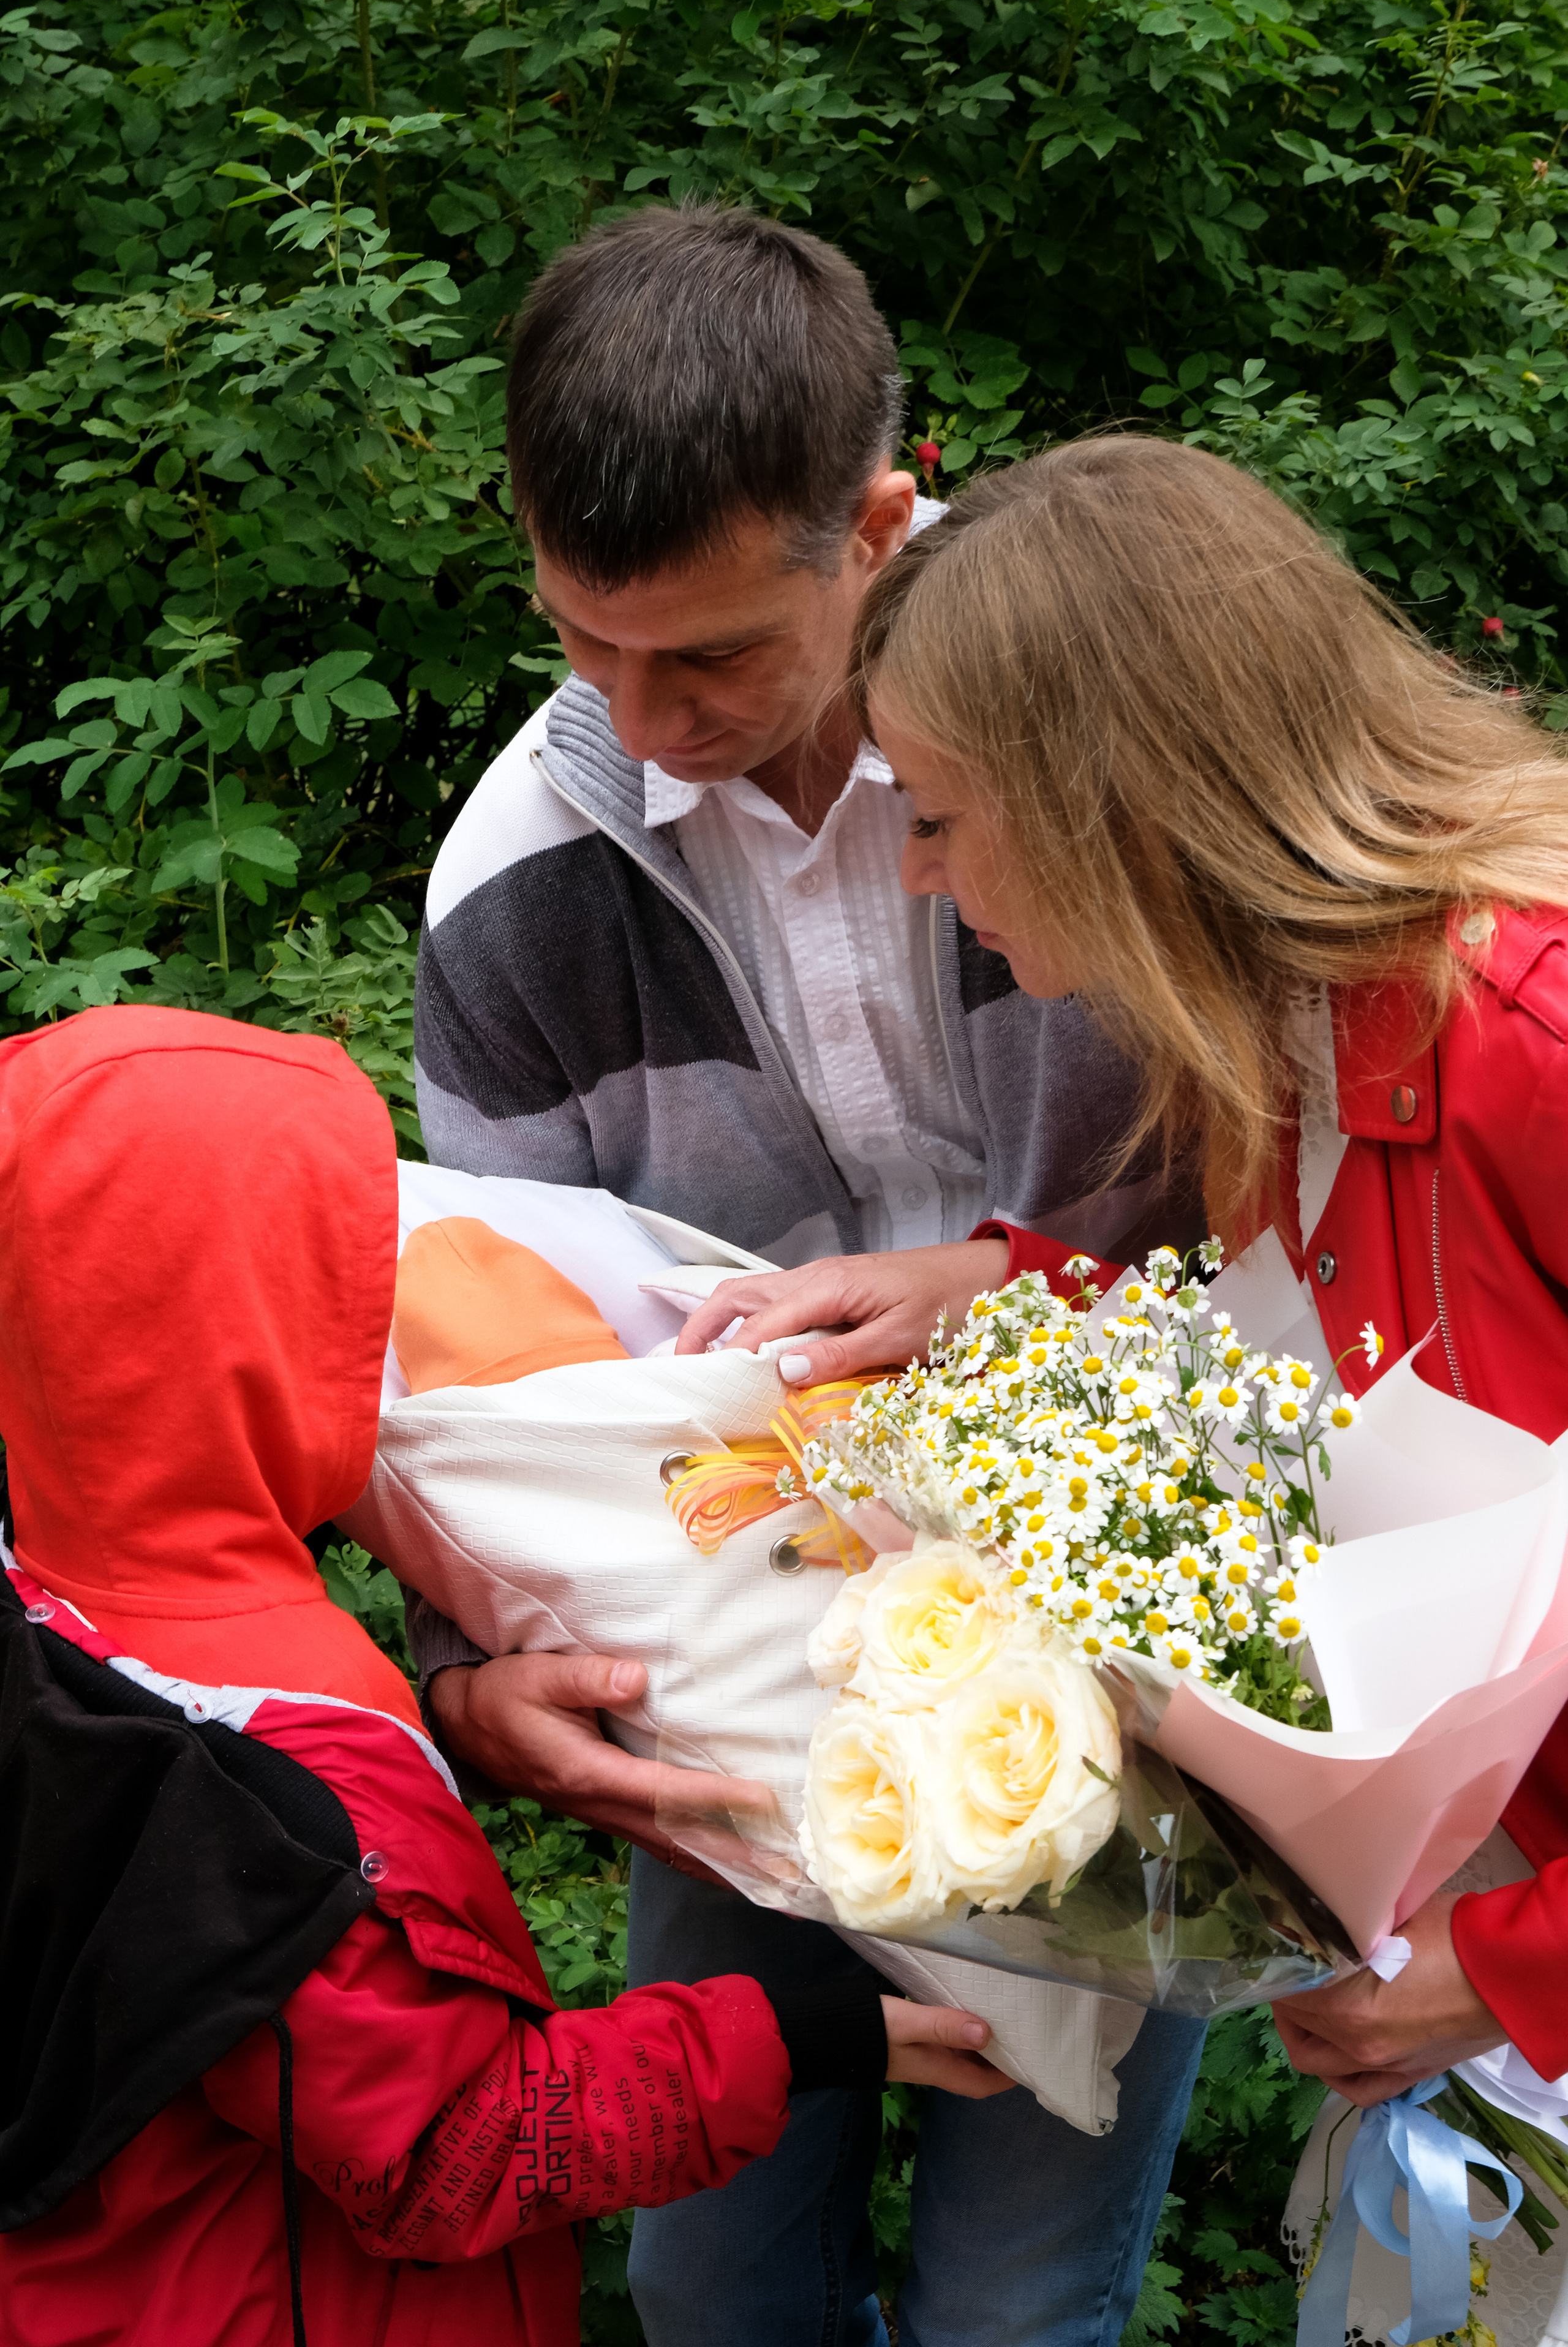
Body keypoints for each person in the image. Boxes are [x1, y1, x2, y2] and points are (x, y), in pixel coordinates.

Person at [411, 208, 1207, 2347]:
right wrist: (475, 1689)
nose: (644, 723)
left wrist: (1024, 1291)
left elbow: (1323, 1242)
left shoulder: (1116, 750)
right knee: (708, 2277)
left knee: (1019, 2298)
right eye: (587, 646)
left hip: (1113, 1648)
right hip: (744, 1672)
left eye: (714, 660)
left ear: (877, 526)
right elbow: (496, 1367)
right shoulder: (516, 890)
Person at [678, 432, 1568, 2115]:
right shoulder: (1285, 1046)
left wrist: (1525, 1967)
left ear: (1116, 801)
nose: (923, 877)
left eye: (939, 818)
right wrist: (1005, 1296)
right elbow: (1339, 1405)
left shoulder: (1529, 1036)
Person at [0, 1004, 1008, 2347]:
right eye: (352, 1286)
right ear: (254, 1335)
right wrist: (816, 2036)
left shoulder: (47, 1612)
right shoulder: (278, 1756)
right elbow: (456, 2152)